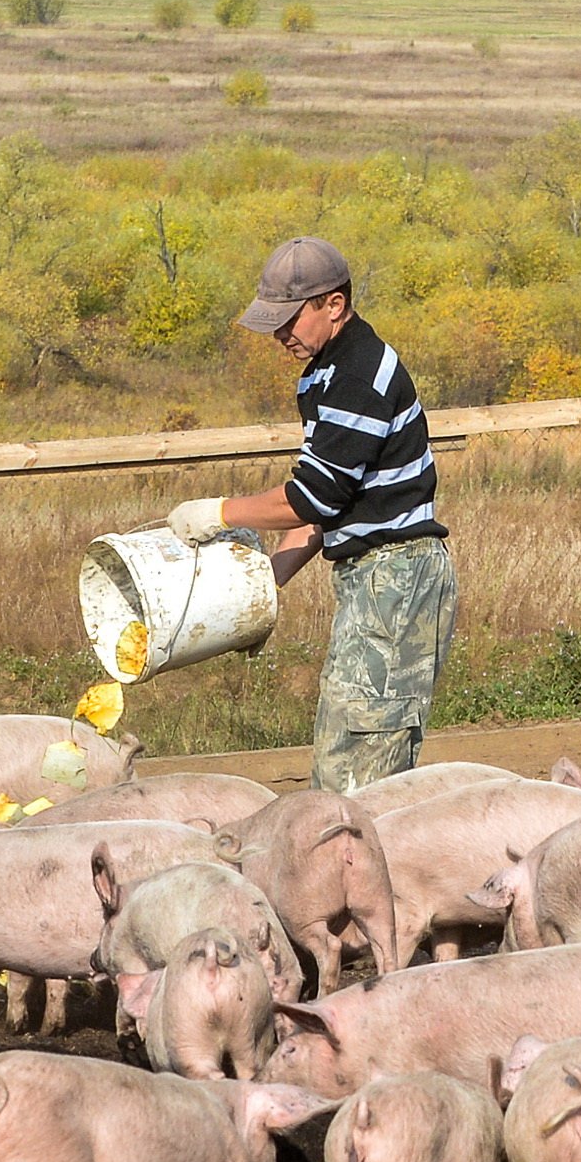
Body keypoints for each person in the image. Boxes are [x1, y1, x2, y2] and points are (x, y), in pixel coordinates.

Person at [161, 236, 455, 792]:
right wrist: (263, 591)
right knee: (342, 749)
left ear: (333, 306)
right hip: (374, 579)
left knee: (361, 769)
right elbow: (328, 509)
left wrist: (218, 512)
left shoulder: (358, 377)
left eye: (288, 319)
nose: (279, 335)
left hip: (396, 578)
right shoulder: (327, 372)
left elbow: (311, 498)